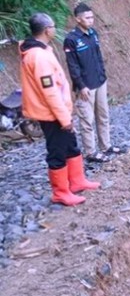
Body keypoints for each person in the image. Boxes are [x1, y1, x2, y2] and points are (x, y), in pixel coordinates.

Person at [20, 13, 100, 207]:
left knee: (71, 145)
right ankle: (60, 192)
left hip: (58, 111)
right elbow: (50, 92)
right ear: (48, 30)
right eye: (54, 26)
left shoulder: (42, 50)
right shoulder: (38, 56)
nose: (55, 29)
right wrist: (64, 119)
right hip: (51, 114)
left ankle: (77, 180)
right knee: (57, 151)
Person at [64, 2, 126, 163]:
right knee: (87, 119)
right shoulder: (71, 39)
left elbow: (98, 57)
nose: (91, 20)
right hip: (85, 86)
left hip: (99, 81)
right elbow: (72, 66)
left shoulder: (93, 34)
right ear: (78, 19)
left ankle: (106, 146)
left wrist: (103, 76)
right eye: (87, 18)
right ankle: (91, 152)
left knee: (103, 115)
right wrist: (81, 85)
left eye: (92, 17)